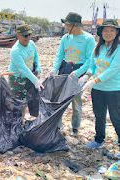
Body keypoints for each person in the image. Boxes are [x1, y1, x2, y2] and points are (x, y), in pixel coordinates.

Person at [50, 12, 96, 136]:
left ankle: (75, 126)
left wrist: (79, 73)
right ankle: (58, 125)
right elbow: (60, 55)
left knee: (76, 100)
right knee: (60, 99)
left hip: (79, 69)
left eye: (67, 25)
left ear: (74, 25)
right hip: (65, 68)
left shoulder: (89, 39)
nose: (65, 27)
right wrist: (54, 69)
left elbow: (90, 60)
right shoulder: (66, 37)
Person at [82, 19, 120, 149]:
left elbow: (113, 70)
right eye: (105, 30)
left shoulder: (118, 49)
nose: (108, 33)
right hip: (97, 89)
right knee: (99, 115)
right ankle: (99, 140)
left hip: (114, 90)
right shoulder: (98, 48)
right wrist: (87, 75)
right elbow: (92, 66)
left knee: (116, 117)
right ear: (101, 33)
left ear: (116, 33)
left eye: (111, 30)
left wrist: (94, 80)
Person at [8, 24, 42, 101]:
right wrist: (36, 81)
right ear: (18, 36)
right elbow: (22, 68)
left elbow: (36, 57)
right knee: (17, 103)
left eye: (29, 35)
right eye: (25, 35)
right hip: (17, 79)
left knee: (27, 101)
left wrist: (38, 68)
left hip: (29, 76)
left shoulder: (31, 43)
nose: (28, 37)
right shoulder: (15, 51)